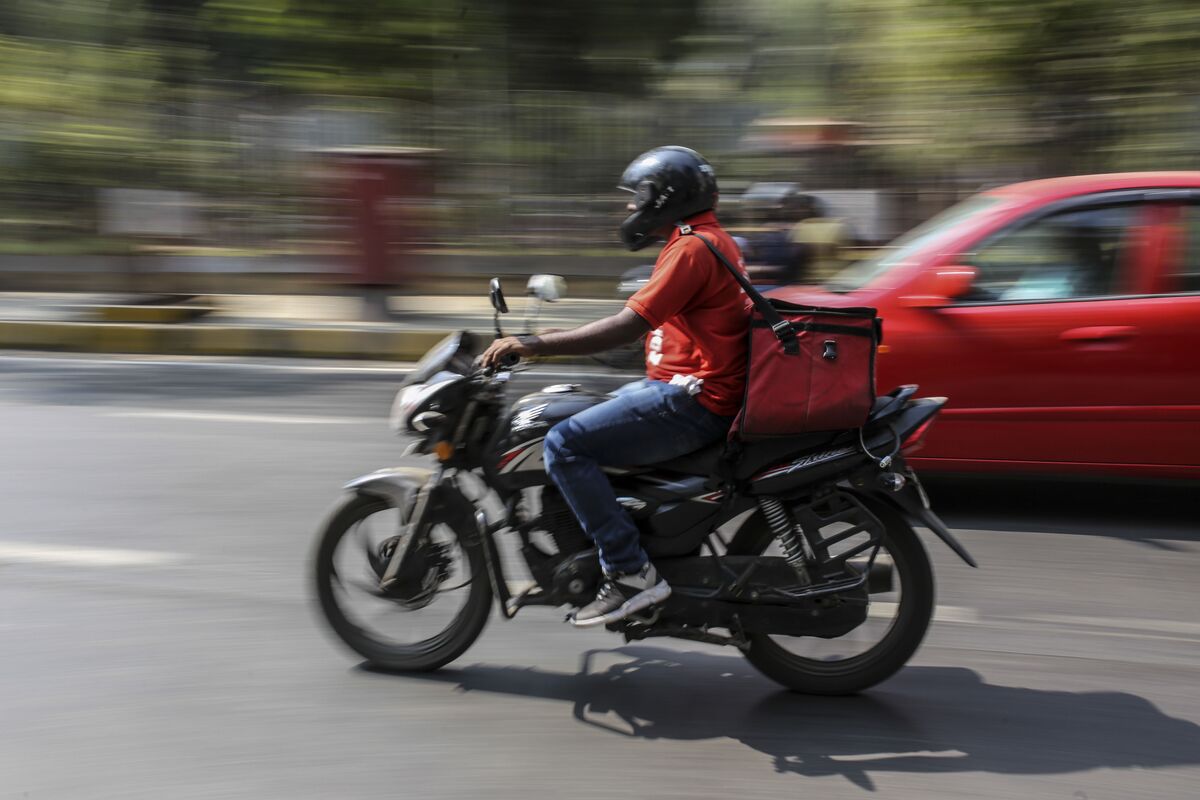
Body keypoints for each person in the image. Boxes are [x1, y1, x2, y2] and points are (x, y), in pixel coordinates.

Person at [479, 145, 748, 628]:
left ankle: (629, 571)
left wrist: (535, 345)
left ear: (666, 197)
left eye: (638, 196)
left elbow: (628, 325)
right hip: (686, 389)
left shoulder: (691, 248)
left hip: (697, 401)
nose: (630, 207)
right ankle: (625, 533)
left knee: (563, 442)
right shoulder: (706, 239)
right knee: (578, 407)